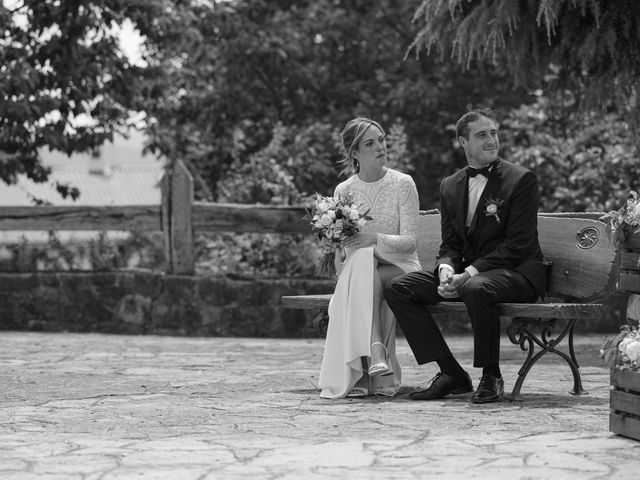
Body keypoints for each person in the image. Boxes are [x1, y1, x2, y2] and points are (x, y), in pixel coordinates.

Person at [383, 109, 548, 404]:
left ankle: (491, 375)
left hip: (518, 272)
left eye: (494, 133)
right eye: (482, 134)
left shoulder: (521, 180)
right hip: (472, 275)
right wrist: (446, 269)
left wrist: (468, 273)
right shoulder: (450, 185)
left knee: (475, 287)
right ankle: (451, 374)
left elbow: (518, 245)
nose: (491, 140)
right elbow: (451, 243)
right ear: (463, 141)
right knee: (399, 288)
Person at [318, 117, 422, 399]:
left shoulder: (403, 183)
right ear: (354, 153)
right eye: (370, 143)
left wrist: (374, 239)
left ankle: (365, 367)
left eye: (381, 140)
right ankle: (377, 356)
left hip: (401, 267)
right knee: (362, 263)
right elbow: (346, 250)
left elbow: (411, 242)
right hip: (363, 270)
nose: (380, 146)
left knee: (362, 264)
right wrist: (333, 243)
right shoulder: (344, 191)